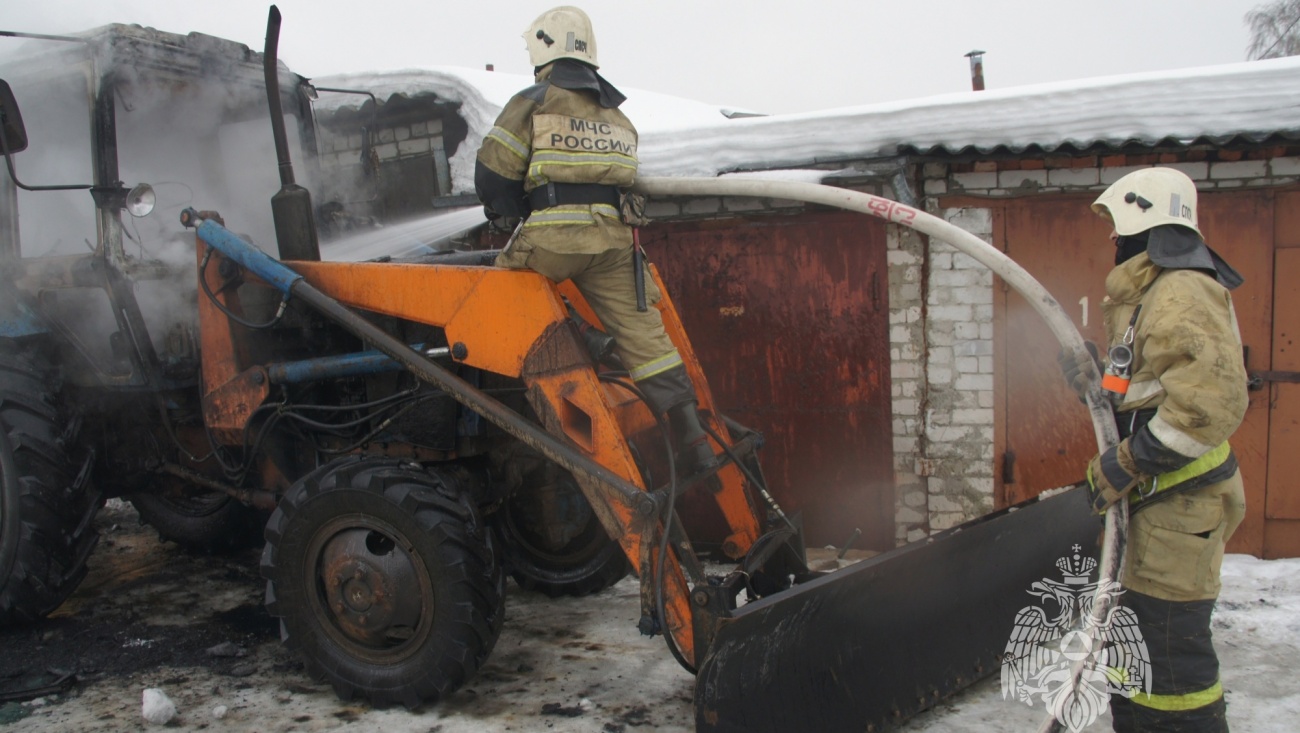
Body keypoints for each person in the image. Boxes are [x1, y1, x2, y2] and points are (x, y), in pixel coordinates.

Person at [474, 6, 718, 477]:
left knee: (501, 296)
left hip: (554, 237)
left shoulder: (535, 100)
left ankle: (585, 340)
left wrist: (512, 207)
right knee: (647, 337)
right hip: (612, 241)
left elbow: (493, 176)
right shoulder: (616, 114)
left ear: (545, 46)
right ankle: (694, 440)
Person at [1073, 167, 1248, 732]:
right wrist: (1094, 381)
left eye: (1118, 223)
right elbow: (1143, 391)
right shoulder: (1152, 291)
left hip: (1180, 505)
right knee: (1136, 649)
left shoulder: (1180, 290)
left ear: (1144, 218)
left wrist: (1128, 462)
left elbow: (1207, 406)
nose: (1111, 237)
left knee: (1169, 660)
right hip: (1158, 506)